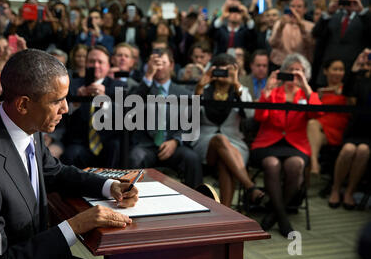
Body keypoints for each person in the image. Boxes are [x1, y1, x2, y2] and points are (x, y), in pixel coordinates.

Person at [0, 48, 138, 259]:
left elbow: (55, 172)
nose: (65, 109)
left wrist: (108, 186)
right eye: (57, 101)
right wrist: (74, 226)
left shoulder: (27, 124)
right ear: (23, 104)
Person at [249, 53, 322, 237]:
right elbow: (260, 117)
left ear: (306, 74)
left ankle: (274, 215)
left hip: (296, 145)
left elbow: (317, 114)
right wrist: (266, 92)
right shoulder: (273, 92)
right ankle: (282, 218)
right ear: (283, 72)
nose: (295, 74)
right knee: (272, 164)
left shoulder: (306, 94)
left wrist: (306, 88)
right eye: (291, 70)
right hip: (268, 143)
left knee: (295, 165)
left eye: (300, 71)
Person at [192, 54, 261, 207]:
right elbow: (189, 119)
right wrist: (199, 89)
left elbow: (250, 115)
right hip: (205, 143)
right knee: (220, 139)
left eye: (227, 70)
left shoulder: (239, 91)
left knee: (225, 161)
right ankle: (250, 186)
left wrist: (237, 85)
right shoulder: (204, 89)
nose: (223, 73)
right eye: (219, 69)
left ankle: (225, 211)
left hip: (235, 144)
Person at [128, 48, 203, 188]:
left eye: (162, 62)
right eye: (154, 63)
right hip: (146, 146)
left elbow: (192, 122)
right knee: (134, 157)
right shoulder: (140, 89)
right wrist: (148, 77)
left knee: (192, 158)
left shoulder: (184, 93)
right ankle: (130, 199)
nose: (159, 67)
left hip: (174, 145)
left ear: (172, 65)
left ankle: (198, 203)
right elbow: (130, 110)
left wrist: (176, 141)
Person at [61, 45, 125, 169]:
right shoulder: (73, 85)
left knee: (117, 147)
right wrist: (76, 103)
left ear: (108, 65)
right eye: (92, 61)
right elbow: (62, 118)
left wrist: (105, 103)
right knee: (71, 154)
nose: (96, 65)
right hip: (81, 143)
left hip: (108, 143)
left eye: (100, 62)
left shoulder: (118, 86)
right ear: (86, 64)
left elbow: (124, 120)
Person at [328, 48, 371, 210]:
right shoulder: (360, 80)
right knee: (348, 149)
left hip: (369, 135)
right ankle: (336, 188)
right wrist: (356, 68)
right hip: (355, 129)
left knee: (363, 151)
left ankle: (349, 192)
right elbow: (348, 94)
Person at [312, 0, 371, 87]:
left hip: (352, 73)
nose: (348, 1)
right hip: (328, 73)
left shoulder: (365, 17)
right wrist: (328, 13)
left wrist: (361, 12)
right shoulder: (333, 15)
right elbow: (316, 34)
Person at [306, 59, 350, 179]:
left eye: (341, 70)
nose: (338, 73)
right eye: (335, 69)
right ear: (326, 71)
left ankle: (313, 164)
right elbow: (312, 114)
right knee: (312, 126)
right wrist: (318, 96)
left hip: (339, 129)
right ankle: (314, 163)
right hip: (320, 131)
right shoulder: (319, 93)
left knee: (312, 126)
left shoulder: (347, 90)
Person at [268, 0, 315, 71]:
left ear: (305, 9)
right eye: (292, 6)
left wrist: (301, 26)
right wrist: (280, 28)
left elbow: (311, 45)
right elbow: (273, 44)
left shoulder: (310, 26)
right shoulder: (279, 24)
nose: (295, 9)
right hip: (280, 65)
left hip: (301, 67)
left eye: (299, 6)